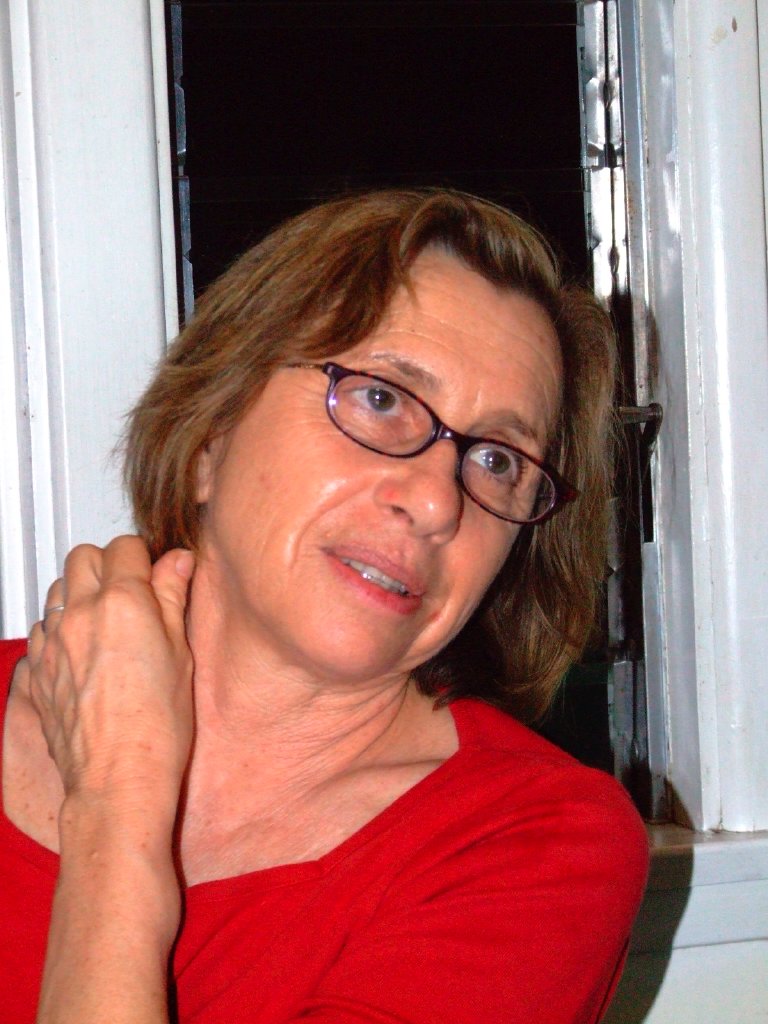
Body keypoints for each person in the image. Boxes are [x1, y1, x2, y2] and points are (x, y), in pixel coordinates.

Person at [0, 189, 648, 1024]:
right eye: (382, 399)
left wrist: (115, 806)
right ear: (210, 435)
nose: (437, 502)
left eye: (497, 460)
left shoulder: (536, 846)